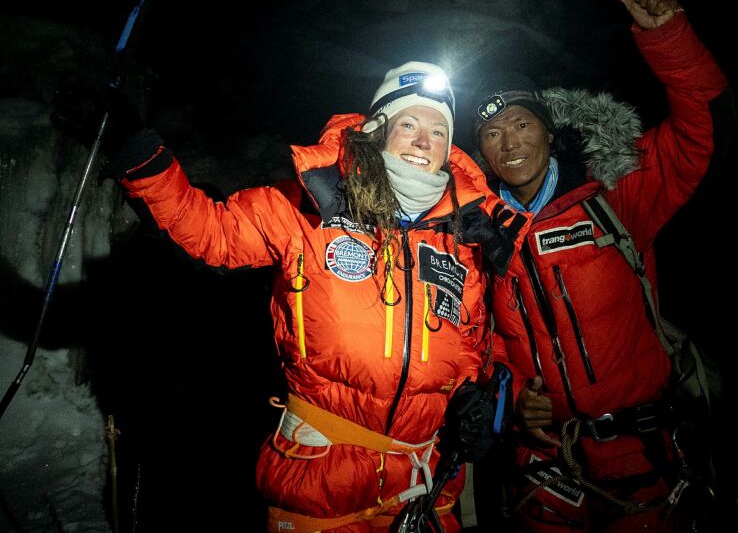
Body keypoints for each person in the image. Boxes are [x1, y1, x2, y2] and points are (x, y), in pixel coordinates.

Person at [94, 61, 529, 532]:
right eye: (409, 124)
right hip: (322, 474)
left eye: (439, 131)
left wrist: (475, 400)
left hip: (426, 486)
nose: (425, 142)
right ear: (377, 131)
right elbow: (209, 232)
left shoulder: (465, 236)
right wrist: (140, 155)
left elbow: (472, 339)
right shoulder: (309, 207)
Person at [472, 0, 734, 531]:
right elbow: (473, 338)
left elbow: (700, 131)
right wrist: (513, 396)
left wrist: (669, 38)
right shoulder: (476, 235)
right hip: (544, 463)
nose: (509, 142)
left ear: (548, 130)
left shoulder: (615, 194)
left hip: (641, 452)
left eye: (522, 123)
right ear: (483, 155)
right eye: (492, 134)